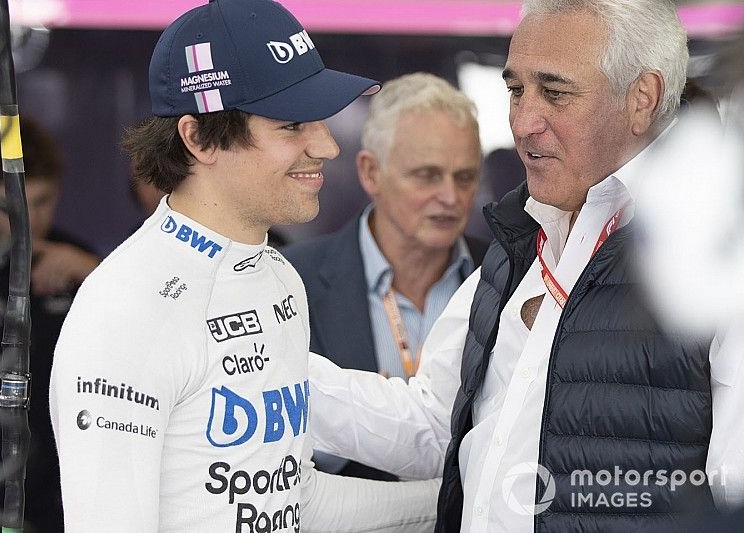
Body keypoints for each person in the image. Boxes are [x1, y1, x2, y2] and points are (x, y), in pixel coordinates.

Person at [306, 0, 742, 531]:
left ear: (641, 98)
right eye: (515, 90)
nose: (523, 122)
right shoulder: (519, 249)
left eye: (555, 92)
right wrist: (269, 368)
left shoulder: (718, 261)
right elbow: (436, 425)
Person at [49, 0, 440, 531]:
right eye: (292, 125)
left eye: (320, 121)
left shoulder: (276, 276)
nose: (325, 145)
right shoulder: (125, 309)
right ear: (197, 137)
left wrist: (462, 499)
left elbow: (289, 498)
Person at [282, 72, 488, 480]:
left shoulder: (510, 279)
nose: (450, 196)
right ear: (370, 172)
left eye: (464, 177)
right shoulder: (291, 282)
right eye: (427, 175)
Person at [0, 116, 99, 532]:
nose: (27, 219)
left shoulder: (83, 263)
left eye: (41, 200)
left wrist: (93, 273)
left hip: (62, 482)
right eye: (7, 204)